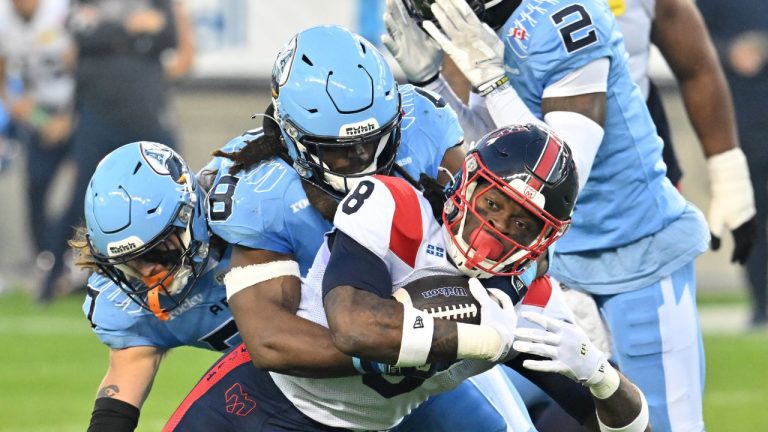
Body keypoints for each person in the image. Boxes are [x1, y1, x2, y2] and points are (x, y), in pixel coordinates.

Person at [166, 124, 651, 432]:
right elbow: (352, 326)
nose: (495, 229)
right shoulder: (395, 205)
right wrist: (479, 340)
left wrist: (601, 377)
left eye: (522, 223)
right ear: (468, 183)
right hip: (255, 403)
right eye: (492, 204)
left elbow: (628, 428)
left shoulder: (530, 301)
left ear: (545, 238)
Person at [187, 24, 546, 432]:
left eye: (376, 140)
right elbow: (271, 339)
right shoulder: (261, 191)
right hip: (322, 383)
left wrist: (487, 309)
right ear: (291, 136)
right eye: (340, 152)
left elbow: (505, 233)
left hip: (434, 343)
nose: (364, 161)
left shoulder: (424, 126)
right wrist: (395, 344)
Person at [386, 0, 709, 430]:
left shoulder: (565, 16)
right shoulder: (496, 26)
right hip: (548, 262)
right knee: (492, 416)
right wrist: (432, 83)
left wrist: (494, 82)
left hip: (635, 254)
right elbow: (500, 157)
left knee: (661, 425)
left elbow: (562, 170)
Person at [72, 142, 240, 432]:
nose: (147, 271)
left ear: (188, 216)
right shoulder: (123, 302)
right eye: (129, 262)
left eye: (154, 251)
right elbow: (127, 376)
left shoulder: (251, 204)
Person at [40, 0, 179, 303]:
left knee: (169, 193)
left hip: (146, 112)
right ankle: (50, 277)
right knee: (81, 198)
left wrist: (103, 29)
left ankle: (176, 276)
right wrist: (132, 31)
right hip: (97, 115)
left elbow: (170, 37)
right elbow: (81, 35)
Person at [698, 0, 768, 328]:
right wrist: (730, 51)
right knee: (750, 220)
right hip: (742, 132)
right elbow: (687, 43)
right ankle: (761, 305)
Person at [0, 0, 76, 276]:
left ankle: (71, 256)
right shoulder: (4, 19)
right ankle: (45, 261)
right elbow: (5, 81)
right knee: (36, 186)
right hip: (39, 113)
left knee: (85, 187)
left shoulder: (63, 13)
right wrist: (35, 117)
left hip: (76, 110)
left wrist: (69, 118)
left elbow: (86, 69)